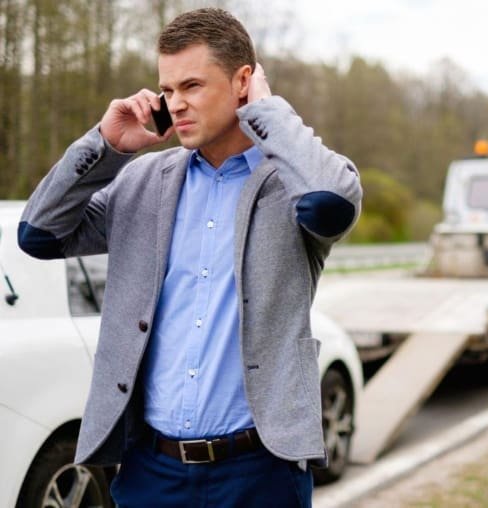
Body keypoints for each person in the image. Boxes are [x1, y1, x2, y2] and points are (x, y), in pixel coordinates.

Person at [18, 8, 362, 507]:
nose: (175, 104)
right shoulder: (140, 182)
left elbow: (332, 205)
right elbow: (39, 233)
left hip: (260, 475)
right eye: (168, 89)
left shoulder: (295, 181)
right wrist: (107, 145)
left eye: (193, 86)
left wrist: (267, 113)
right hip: (150, 472)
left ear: (243, 81)